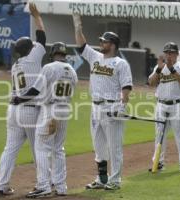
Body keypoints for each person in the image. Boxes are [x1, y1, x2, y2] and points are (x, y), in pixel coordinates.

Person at [72, 14, 133, 190]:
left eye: (104, 41)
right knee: (99, 147)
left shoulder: (120, 63)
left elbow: (126, 86)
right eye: (101, 41)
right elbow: (82, 45)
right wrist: (78, 27)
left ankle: (115, 180)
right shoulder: (95, 57)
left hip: (112, 106)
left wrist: (122, 105)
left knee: (114, 147)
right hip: (95, 107)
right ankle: (102, 178)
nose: (101, 43)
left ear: (112, 44)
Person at [0, 3, 46, 196]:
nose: (35, 46)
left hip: (13, 110)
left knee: (10, 149)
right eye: (32, 46)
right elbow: (42, 36)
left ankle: (2, 185)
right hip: (29, 109)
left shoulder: (16, 65)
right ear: (29, 49)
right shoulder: (33, 58)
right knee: (38, 148)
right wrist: (36, 16)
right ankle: (43, 183)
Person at [25, 42, 78, 198]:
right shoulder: (72, 71)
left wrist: (20, 98)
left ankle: (43, 186)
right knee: (58, 149)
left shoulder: (49, 68)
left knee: (41, 147)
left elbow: (35, 89)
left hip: (50, 110)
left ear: (53, 53)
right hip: (64, 110)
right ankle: (61, 187)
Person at [148, 42, 180, 173]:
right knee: (159, 135)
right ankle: (158, 162)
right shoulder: (159, 67)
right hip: (161, 104)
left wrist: (171, 69)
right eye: (166, 52)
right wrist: (159, 69)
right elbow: (151, 83)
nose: (169, 55)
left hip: (178, 105)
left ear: (177, 54)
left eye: (171, 52)